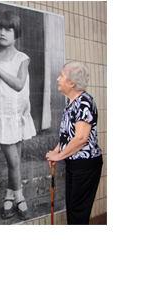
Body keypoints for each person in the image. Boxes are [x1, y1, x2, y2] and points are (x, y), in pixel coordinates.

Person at [0, 11, 36, 220]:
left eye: (8, 29)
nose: (3, 33)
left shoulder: (22, 58)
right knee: (13, 162)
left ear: (16, 33)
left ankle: (9, 195)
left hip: (17, 115)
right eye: (0, 28)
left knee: (15, 161)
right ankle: (20, 197)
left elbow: (19, 85)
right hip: (1, 117)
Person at [46, 61, 103, 225]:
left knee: (78, 211)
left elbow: (80, 139)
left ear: (72, 83)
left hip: (85, 166)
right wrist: (57, 152)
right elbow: (66, 135)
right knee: (72, 208)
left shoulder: (84, 102)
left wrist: (59, 157)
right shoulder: (70, 101)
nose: (58, 79)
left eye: (61, 76)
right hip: (74, 164)